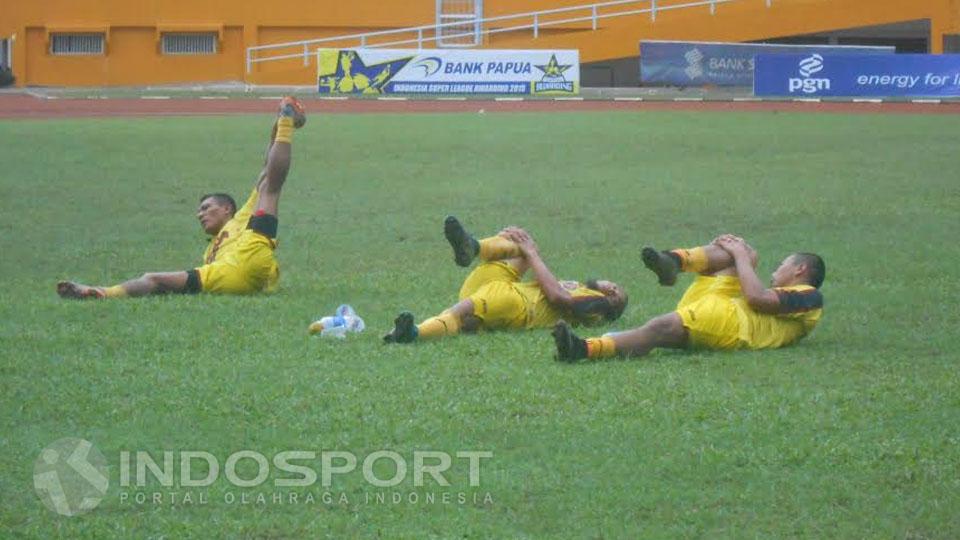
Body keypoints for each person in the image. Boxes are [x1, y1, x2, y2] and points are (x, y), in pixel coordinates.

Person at [56, 96, 306, 299]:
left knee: (269, 186)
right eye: (200, 210)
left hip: (244, 262)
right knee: (271, 188)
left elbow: (267, 170)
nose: (200, 214)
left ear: (227, 208)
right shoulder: (210, 253)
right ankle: (99, 292)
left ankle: (103, 292)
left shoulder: (240, 218)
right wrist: (280, 124)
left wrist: (278, 127)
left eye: (207, 207)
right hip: (243, 271)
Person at [552, 235, 825, 361]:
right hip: (722, 304)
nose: (776, 269)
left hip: (731, 324)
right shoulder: (792, 297)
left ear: (800, 269)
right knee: (745, 251)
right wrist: (741, 254)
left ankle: (583, 349)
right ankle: (673, 261)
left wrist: (740, 257)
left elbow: (757, 299)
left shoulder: (811, 298)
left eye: (782, 264)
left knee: (660, 328)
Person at [383, 217, 628, 344]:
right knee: (523, 244)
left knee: (458, 314)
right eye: (616, 286)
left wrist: (532, 254)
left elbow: (557, 298)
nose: (613, 287)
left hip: (517, 304)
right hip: (504, 288)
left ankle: (413, 334)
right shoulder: (584, 290)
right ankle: (474, 247)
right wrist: (512, 241)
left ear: (610, 303)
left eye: (617, 294)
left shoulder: (598, 306)